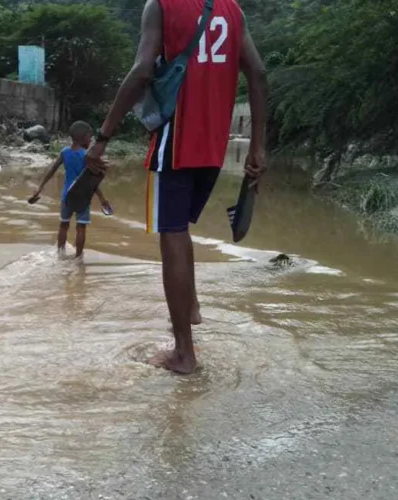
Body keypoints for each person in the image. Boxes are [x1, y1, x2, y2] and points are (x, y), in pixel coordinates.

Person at [85, 0, 269, 374]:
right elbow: (259, 72)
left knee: (171, 235)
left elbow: (140, 73)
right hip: (214, 147)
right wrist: (258, 145)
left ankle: (183, 352)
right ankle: (192, 307)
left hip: (175, 141)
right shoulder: (232, 10)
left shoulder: (161, 6)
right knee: (181, 232)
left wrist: (103, 136)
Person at [30, 121, 113, 258]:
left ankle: (60, 253)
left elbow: (51, 170)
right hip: (83, 197)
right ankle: (78, 257)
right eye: (90, 137)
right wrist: (102, 199)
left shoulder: (64, 152)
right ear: (84, 137)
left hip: (67, 196)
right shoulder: (87, 156)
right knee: (81, 227)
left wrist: (40, 187)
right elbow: (92, 183)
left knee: (63, 225)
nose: (91, 141)